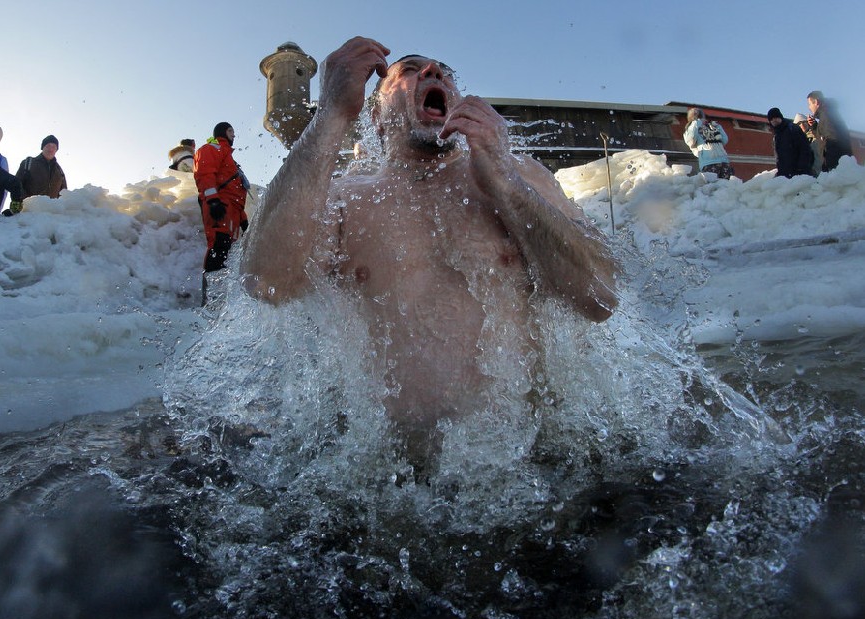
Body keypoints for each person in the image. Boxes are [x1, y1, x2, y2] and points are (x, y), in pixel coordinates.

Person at [241, 37, 618, 463]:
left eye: (443, 72)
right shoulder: (346, 199)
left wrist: (505, 184)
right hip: (392, 480)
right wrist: (330, 114)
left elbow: (600, 296)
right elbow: (266, 282)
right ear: (377, 116)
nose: (433, 72)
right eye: (409, 70)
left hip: (528, 466)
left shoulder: (520, 175)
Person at [193, 122, 251, 298]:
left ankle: (223, 300)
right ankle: (211, 301)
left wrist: (243, 220)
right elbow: (204, 173)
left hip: (232, 211)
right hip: (220, 207)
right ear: (222, 132)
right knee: (218, 246)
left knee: (229, 253)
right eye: (231, 131)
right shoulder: (212, 148)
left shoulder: (230, 158)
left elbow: (237, 195)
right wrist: (212, 201)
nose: (234, 134)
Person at [806, 91, 853, 173]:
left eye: (809, 104)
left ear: (816, 102)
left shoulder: (826, 116)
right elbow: (823, 138)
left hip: (836, 169)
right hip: (839, 166)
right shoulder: (827, 114)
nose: (809, 107)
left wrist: (829, 167)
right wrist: (814, 126)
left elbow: (833, 141)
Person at [14, 135, 68, 205]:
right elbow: (16, 185)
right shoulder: (28, 163)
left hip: (51, 214)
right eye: (48, 146)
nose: (50, 149)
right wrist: (17, 206)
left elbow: (64, 194)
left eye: (54, 147)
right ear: (43, 147)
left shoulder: (59, 171)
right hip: (28, 211)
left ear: (56, 150)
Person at [683, 108, 734, 179]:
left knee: (711, 188)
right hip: (724, 162)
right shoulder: (712, 127)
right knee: (726, 187)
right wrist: (718, 127)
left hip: (709, 163)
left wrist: (695, 122)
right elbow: (724, 140)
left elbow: (690, 140)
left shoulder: (692, 129)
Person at [767, 108, 814, 178]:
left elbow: (805, 149)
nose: (774, 120)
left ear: (780, 117)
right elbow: (779, 158)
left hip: (799, 173)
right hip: (786, 174)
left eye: (776, 117)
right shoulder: (776, 136)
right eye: (771, 119)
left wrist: (802, 168)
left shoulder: (792, 128)